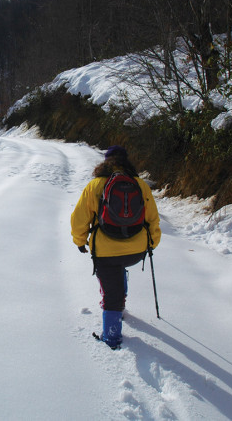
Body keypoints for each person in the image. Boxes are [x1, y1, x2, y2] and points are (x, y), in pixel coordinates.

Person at [70, 145, 161, 349]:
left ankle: (111, 337)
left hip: (106, 252)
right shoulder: (140, 185)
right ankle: (121, 302)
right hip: (136, 251)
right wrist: (151, 244)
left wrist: (80, 242)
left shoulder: (95, 186)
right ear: (126, 161)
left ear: (105, 162)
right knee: (119, 269)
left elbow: (78, 221)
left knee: (111, 289)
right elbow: (152, 219)